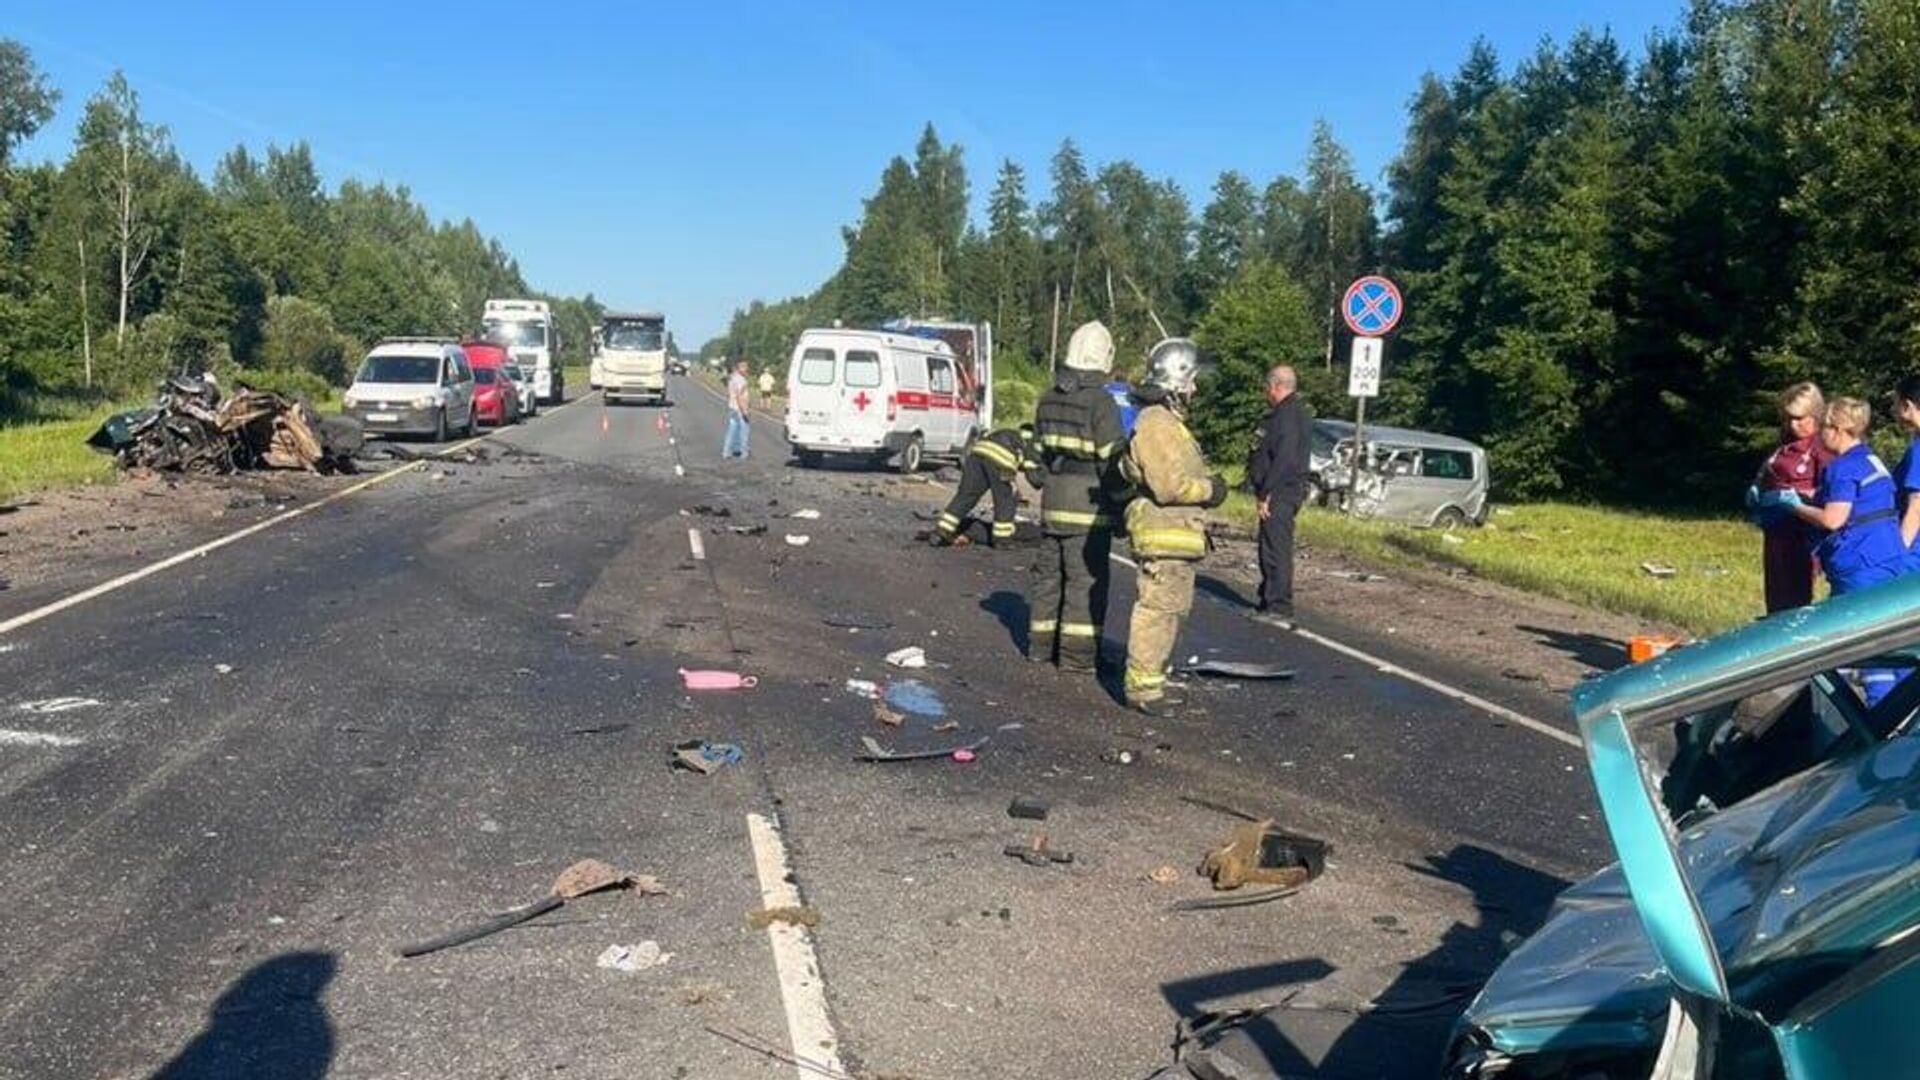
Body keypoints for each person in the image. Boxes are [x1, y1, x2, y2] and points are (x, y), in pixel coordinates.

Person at [1769, 397, 1905, 703]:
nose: (1819, 436)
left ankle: (1875, 717)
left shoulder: (1842, 467)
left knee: (1860, 643)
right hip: (1887, 558)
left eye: (1825, 428)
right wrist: (1809, 495)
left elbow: (1833, 519)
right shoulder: (1871, 460)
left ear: (1838, 428)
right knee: (1890, 642)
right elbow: (1856, 500)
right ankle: (1901, 714)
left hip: (1860, 565)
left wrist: (1793, 506)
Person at [1120, 339, 1229, 715]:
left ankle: (1153, 679)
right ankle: (1144, 691)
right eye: (1192, 381)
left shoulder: (1167, 423)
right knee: (1158, 610)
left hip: (1175, 536)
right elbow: (1169, 487)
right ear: (1177, 379)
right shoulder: (1156, 422)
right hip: (1162, 533)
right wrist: (1211, 490)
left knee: (1170, 610)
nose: (1195, 389)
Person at [1027, 320, 1128, 673]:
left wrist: (1044, 479)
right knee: (1084, 585)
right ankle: (1077, 658)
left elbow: (1035, 455)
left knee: (1047, 581)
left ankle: (1039, 649)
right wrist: (1121, 509)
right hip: (1088, 511)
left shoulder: (1049, 396)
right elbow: (1114, 464)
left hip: (1052, 505)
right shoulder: (1101, 402)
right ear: (1104, 358)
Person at [1747, 382, 1829, 612]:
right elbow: (1768, 471)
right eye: (1788, 418)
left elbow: (1832, 491)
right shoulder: (1785, 444)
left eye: (1800, 418)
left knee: (1794, 596)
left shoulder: (1821, 447)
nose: (1794, 425)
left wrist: (1796, 497)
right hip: (1775, 529)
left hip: (1801, 532)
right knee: (1775, 594)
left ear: (1815, 414)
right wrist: (1757, 487)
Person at [1246, 365, 1310, 626]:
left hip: (1280, 492)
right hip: (1280, 490)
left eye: (1267, 387)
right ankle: (1268, 598)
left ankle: (1279, 606)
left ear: (1275, 386)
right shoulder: (1288, 414)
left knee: (1276, 549)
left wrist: (1267, 492)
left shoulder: (1288, 417)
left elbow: (1284, 459)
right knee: (1269, 546)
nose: (1265, 393)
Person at [935, 424, 1041, 546]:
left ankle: (943, 529)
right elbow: (1032, 471)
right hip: (1002, 459)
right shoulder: (1034, 442)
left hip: (977, 453)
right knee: (1005, 499)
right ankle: (1002, 539)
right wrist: (1043, 482)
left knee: (966, 495)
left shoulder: (1009, 432)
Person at [1892, 376, 1920, 567]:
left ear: (1907, 406)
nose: (1893, 410)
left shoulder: (1918, 450)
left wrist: (1898, 557)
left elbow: (1917, 507)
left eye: (1895, 404)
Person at [722, 359, 751, 459]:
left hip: (732, 407)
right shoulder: (740, 380)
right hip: (739, 409)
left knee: (732, 430)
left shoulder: (732, 378)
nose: (747, 369)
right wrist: (744, 411)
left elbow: (730, 393)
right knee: (744, 431)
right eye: (744, 367)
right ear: (739, 368)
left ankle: (726, 452)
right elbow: (739, 396)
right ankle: (744, 452)